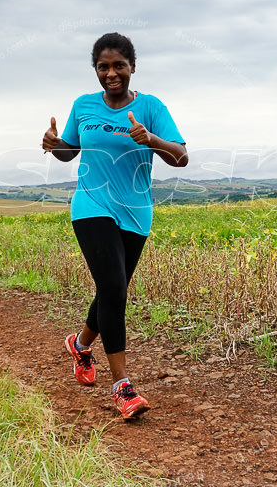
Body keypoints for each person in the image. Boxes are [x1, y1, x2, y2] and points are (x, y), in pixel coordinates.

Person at [42, 32, 188, 419]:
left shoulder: (152, 107)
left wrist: (151, 138)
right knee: (113, 288)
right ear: (96, 70)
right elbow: (69, 151)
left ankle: (80, 343)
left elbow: (181, 158)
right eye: (103, 67)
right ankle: (122, 387)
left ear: (132, 67)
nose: (111, 73)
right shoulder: (84, 105)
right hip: (91, 205)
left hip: (136, 211)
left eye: (118, 65)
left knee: (113, 289)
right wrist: (53, 143)